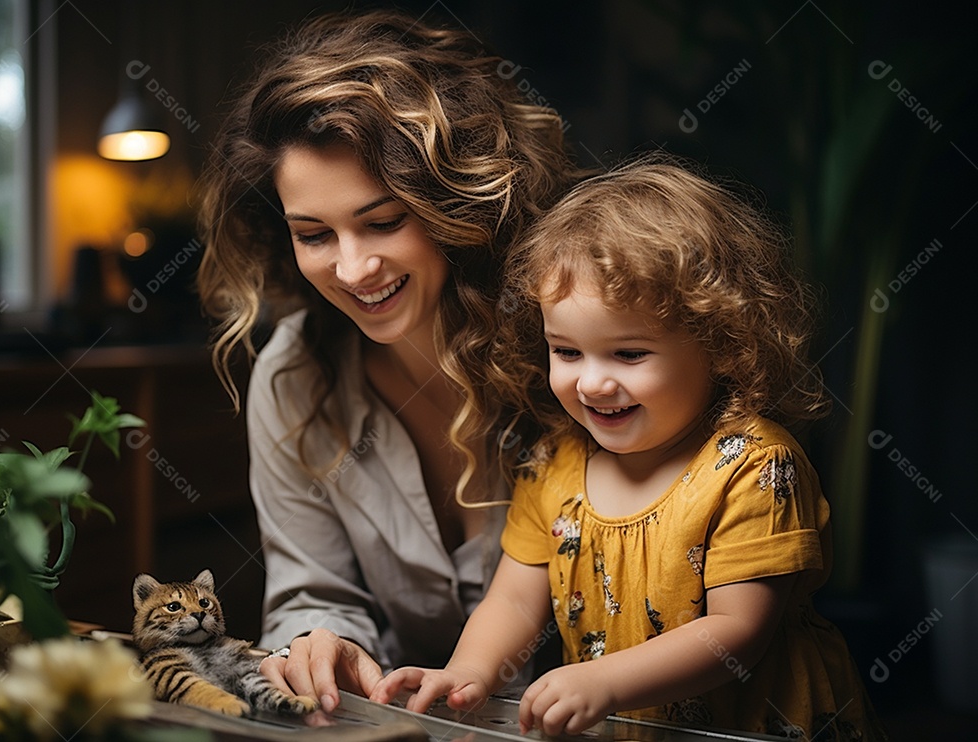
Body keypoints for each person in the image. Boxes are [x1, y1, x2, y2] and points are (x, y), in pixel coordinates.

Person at [371, 158, 888, 741]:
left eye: (629, 354)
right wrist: (469, 672)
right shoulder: (554, 466)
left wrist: (605, 681)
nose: (592, 383)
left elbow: (736, 633)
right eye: (567, 352)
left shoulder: (754, 468)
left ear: (722, 344)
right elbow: (514, 601)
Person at [195, 9, 582, 715]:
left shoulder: (576, 348)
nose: (353, 268)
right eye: (314, 235)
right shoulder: (292, 376)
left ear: (454, 203)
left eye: (383, 222)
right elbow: (312, 590)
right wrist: (322, 643)